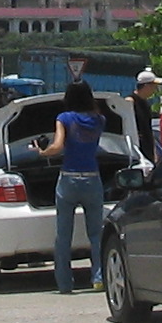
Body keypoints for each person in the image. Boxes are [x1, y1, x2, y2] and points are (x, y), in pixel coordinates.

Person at [44, 81, 106, 294]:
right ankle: (99, 277)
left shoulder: (64, 118)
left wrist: (43, 152)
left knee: (63, 235)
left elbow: (58, 146)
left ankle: (64, 283)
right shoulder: (100, 120)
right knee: (96, 233)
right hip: (92, 178)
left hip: (69, 178)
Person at [128, 68, 162, 154]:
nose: (155, 89)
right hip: (137, 150)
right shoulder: (130, 102)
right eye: (154, 86)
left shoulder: (145, 103)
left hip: (147, 149)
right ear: (146, 86)